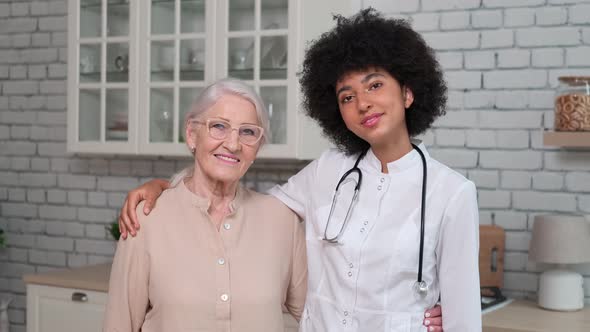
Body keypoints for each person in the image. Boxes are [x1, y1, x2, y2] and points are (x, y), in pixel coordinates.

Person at [121, 9, 478, 332]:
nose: (363, 103)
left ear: (408, 93)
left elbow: (463, 320)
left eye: (375, 85)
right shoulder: (327, 171)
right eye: (346, 97)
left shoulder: (451, 195)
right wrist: (167, 186)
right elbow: (244, 201)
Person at [103, 79, 308, 331]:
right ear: (192, 134)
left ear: (258, 146)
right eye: (219, 127)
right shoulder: (146, 218)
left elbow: (317, 315)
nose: (233, 144)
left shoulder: (282, 219)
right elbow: (120, 324)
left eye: (247, 132)